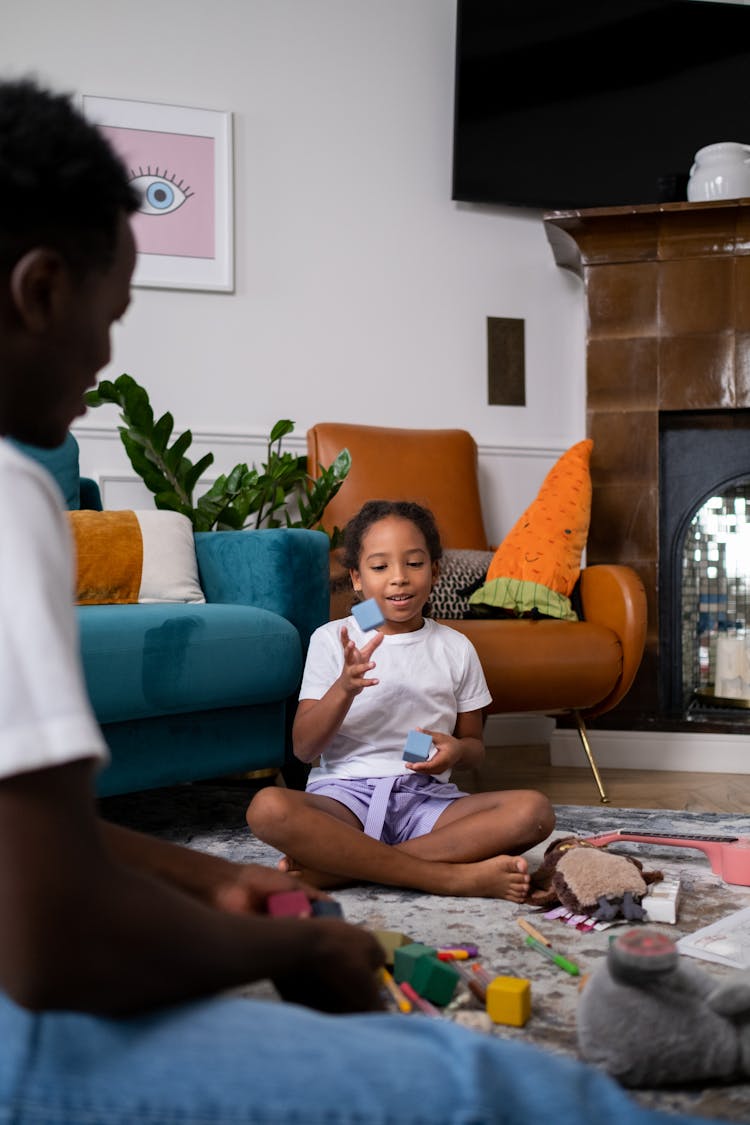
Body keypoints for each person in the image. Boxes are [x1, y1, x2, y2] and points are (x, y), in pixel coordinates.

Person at [0, 75, 726, 1125]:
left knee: (519, 814)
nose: (108, 357)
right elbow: (55, 936)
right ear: (38, 292)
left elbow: (32, 839)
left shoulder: (455, 649)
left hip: (422, 801)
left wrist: (217, 884)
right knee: (500, 1087)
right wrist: (296, 939)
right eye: (109, 319)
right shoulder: (15, 484)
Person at [246, 499, 555, 901]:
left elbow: (476, 749)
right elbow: (305, 749)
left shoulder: (455, 648)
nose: (399, 579)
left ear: (435, 571)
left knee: (533, 812)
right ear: (357, 579)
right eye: (379, 567)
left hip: (427, 800)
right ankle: (447, 878)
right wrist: (344, 688)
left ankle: (337, 871)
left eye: (414, 563)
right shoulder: (332, 638)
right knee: (267, 808)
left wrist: (455, 750)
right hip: (344, 801)